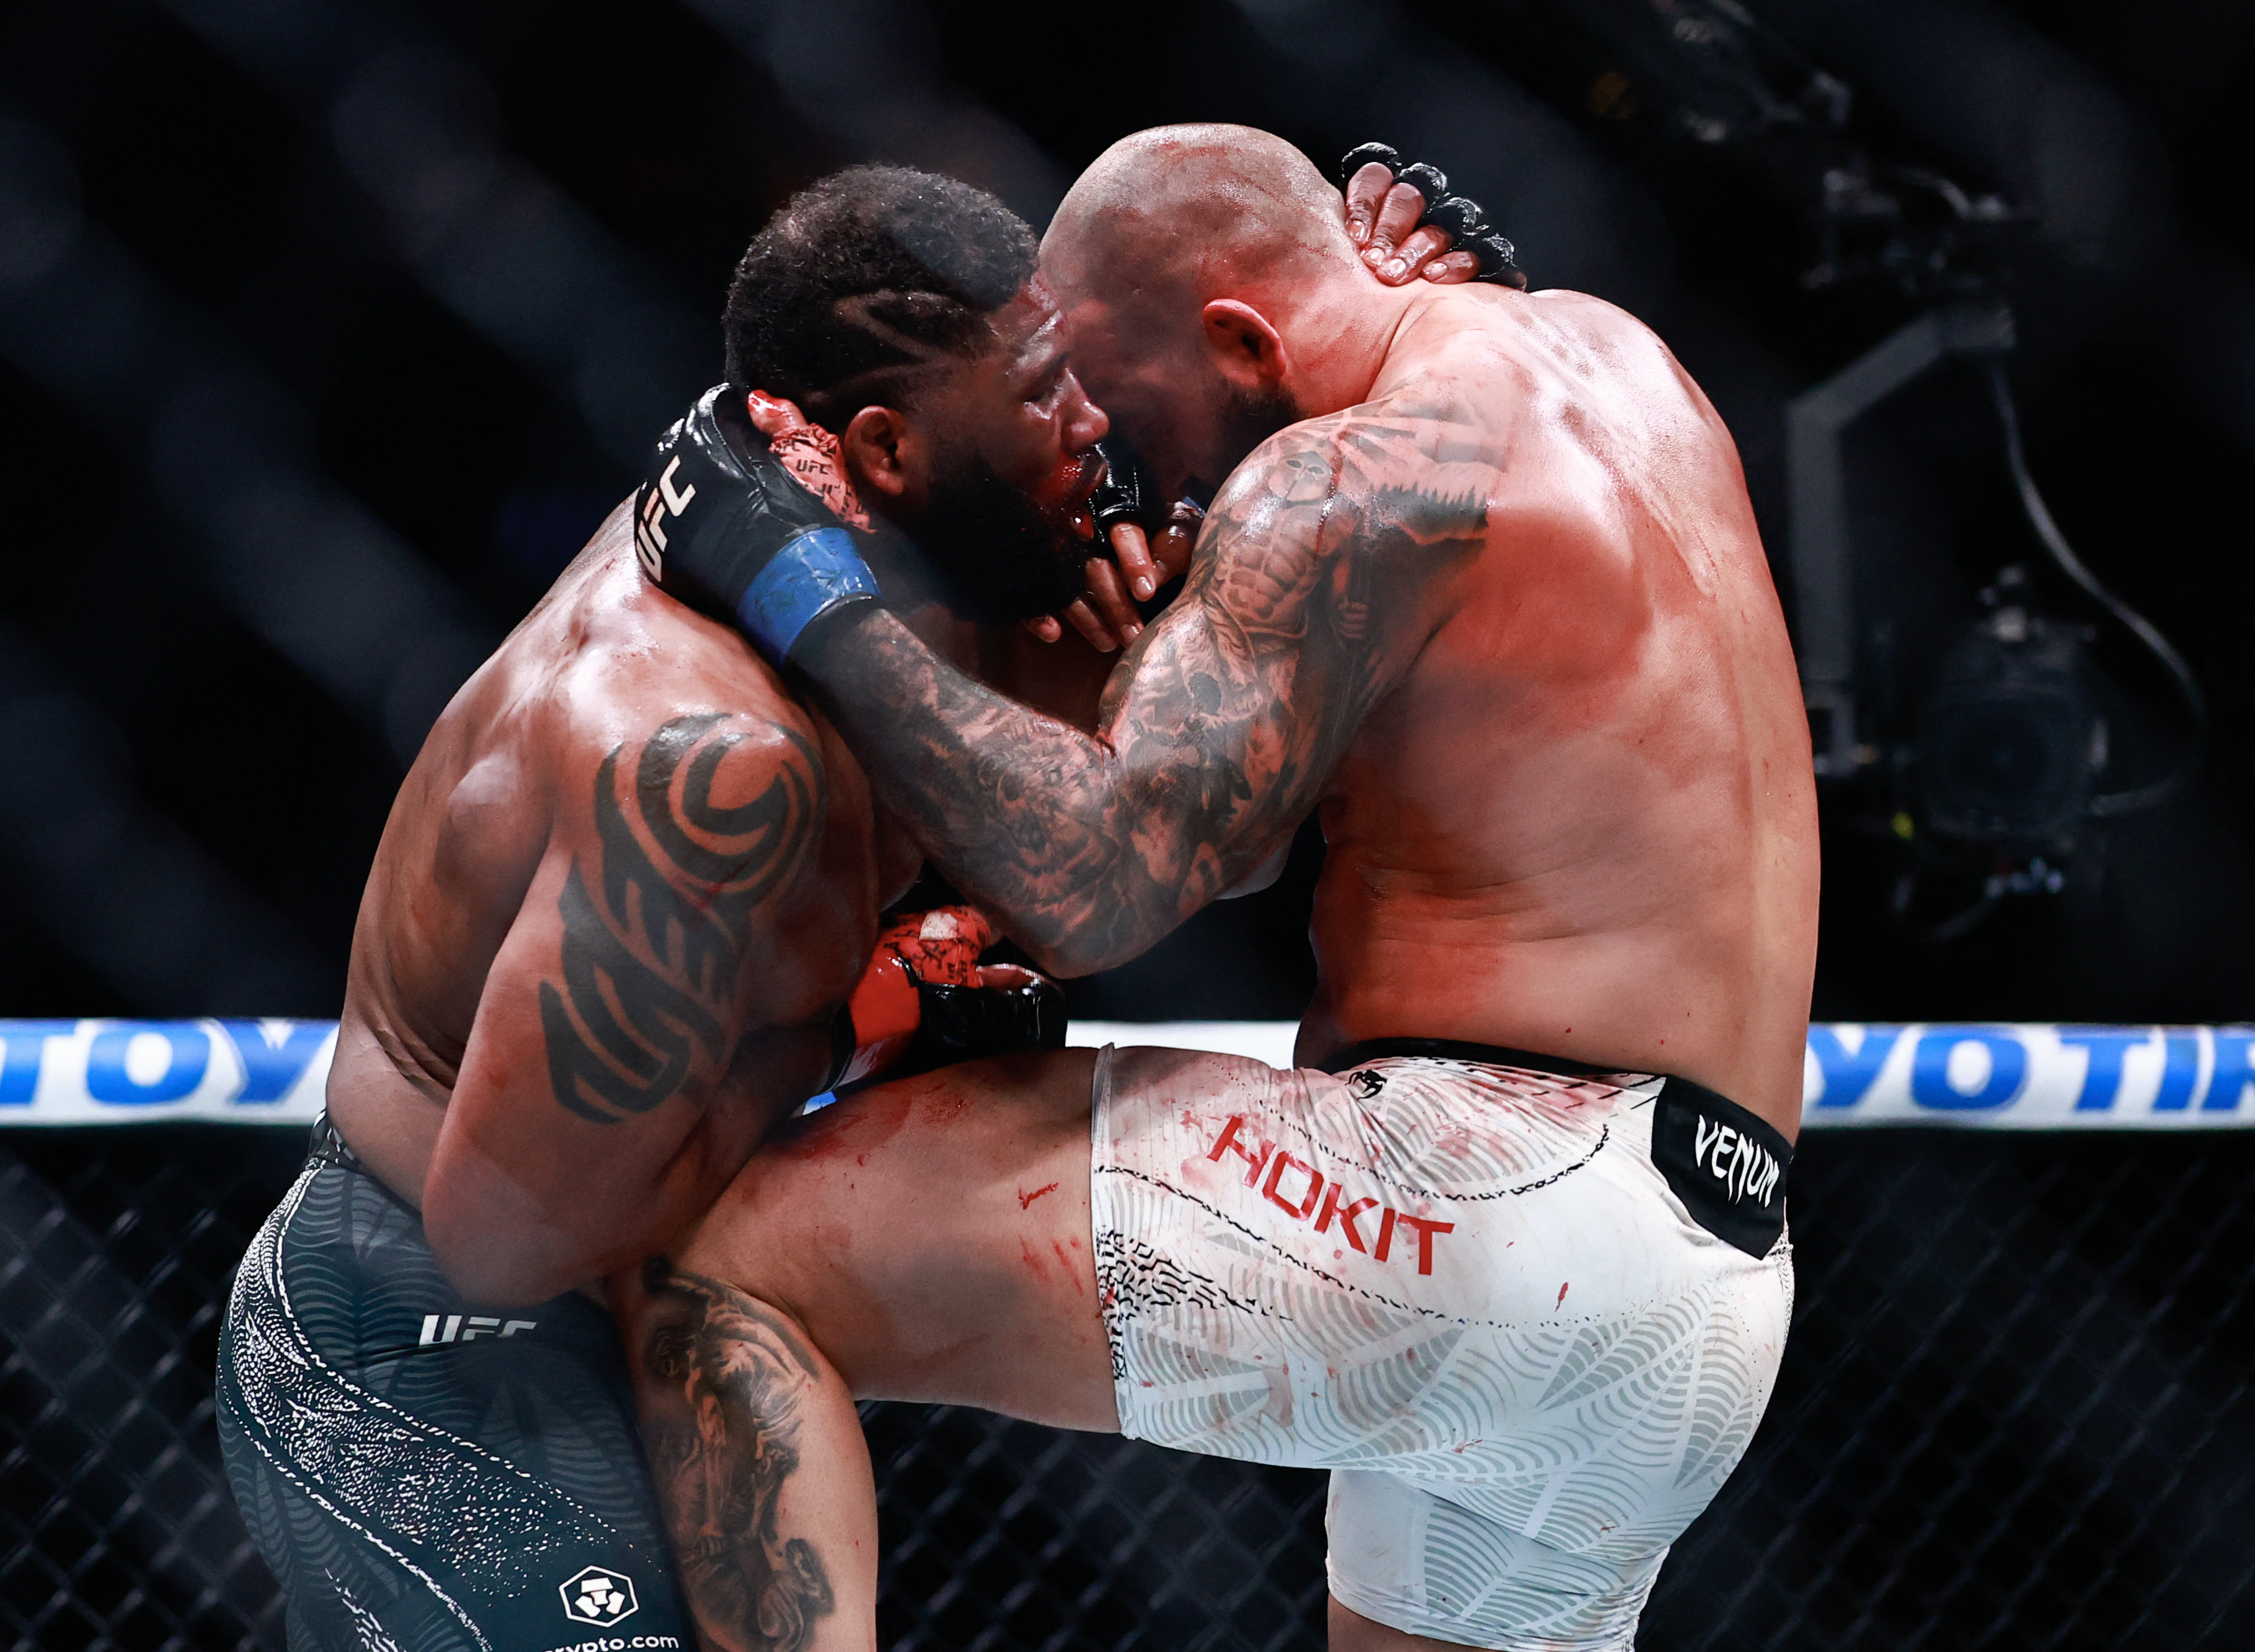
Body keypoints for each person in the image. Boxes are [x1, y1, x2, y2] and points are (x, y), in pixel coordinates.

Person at [213, 152, 1459, 1652]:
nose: (1093, 428)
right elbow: (508, 1237)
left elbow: (1202, 844)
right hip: (440, 1348)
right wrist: (866, 1015)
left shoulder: (959, 552)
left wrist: (1386, 327)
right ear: (883, 450)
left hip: (676, 1325)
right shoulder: (697, 760)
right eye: (1046, 395)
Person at [631, 123, 1819, 1652]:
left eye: (1130, 418)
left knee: (727, 1268)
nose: (1124, 474)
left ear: (1243, 342)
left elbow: (1098, 891)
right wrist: (1171, 641)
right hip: (1711, 1288)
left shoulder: (1330, 485)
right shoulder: (1617, 357)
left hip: (1477, 1207)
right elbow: (1242, 832)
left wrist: (801, 589)